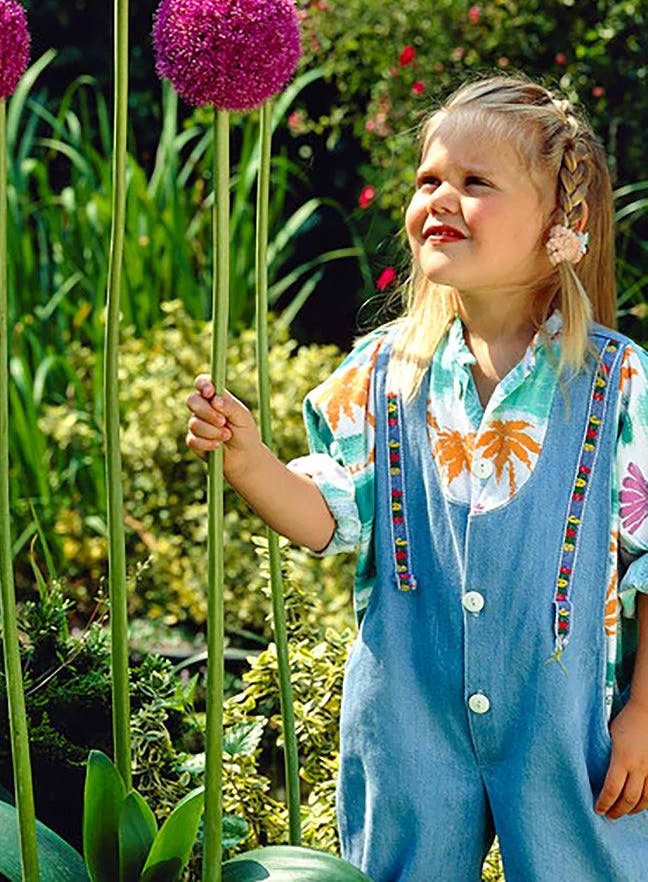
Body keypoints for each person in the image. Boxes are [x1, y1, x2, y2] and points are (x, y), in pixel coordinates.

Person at [186, 76, 648, 881]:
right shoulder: (381, 374)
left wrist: (645, 713)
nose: (440, 197)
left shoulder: (619, 383)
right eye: (429, 178)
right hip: (406, 720)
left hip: (571, 730)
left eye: (476, 182)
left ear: (561, 223)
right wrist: (249, 461)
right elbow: (330, 517)